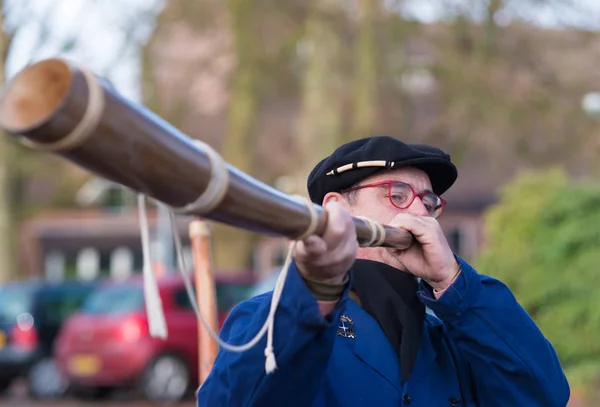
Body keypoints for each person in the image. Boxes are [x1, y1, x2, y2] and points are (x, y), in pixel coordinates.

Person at [198, 136, 570, 406]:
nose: (419, 213)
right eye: (396, 194)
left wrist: (455, 284)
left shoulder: (454, 334)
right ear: (337, 210)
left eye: (428, 202)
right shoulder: (272, 318)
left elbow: (543, 395)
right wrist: (316, 291)